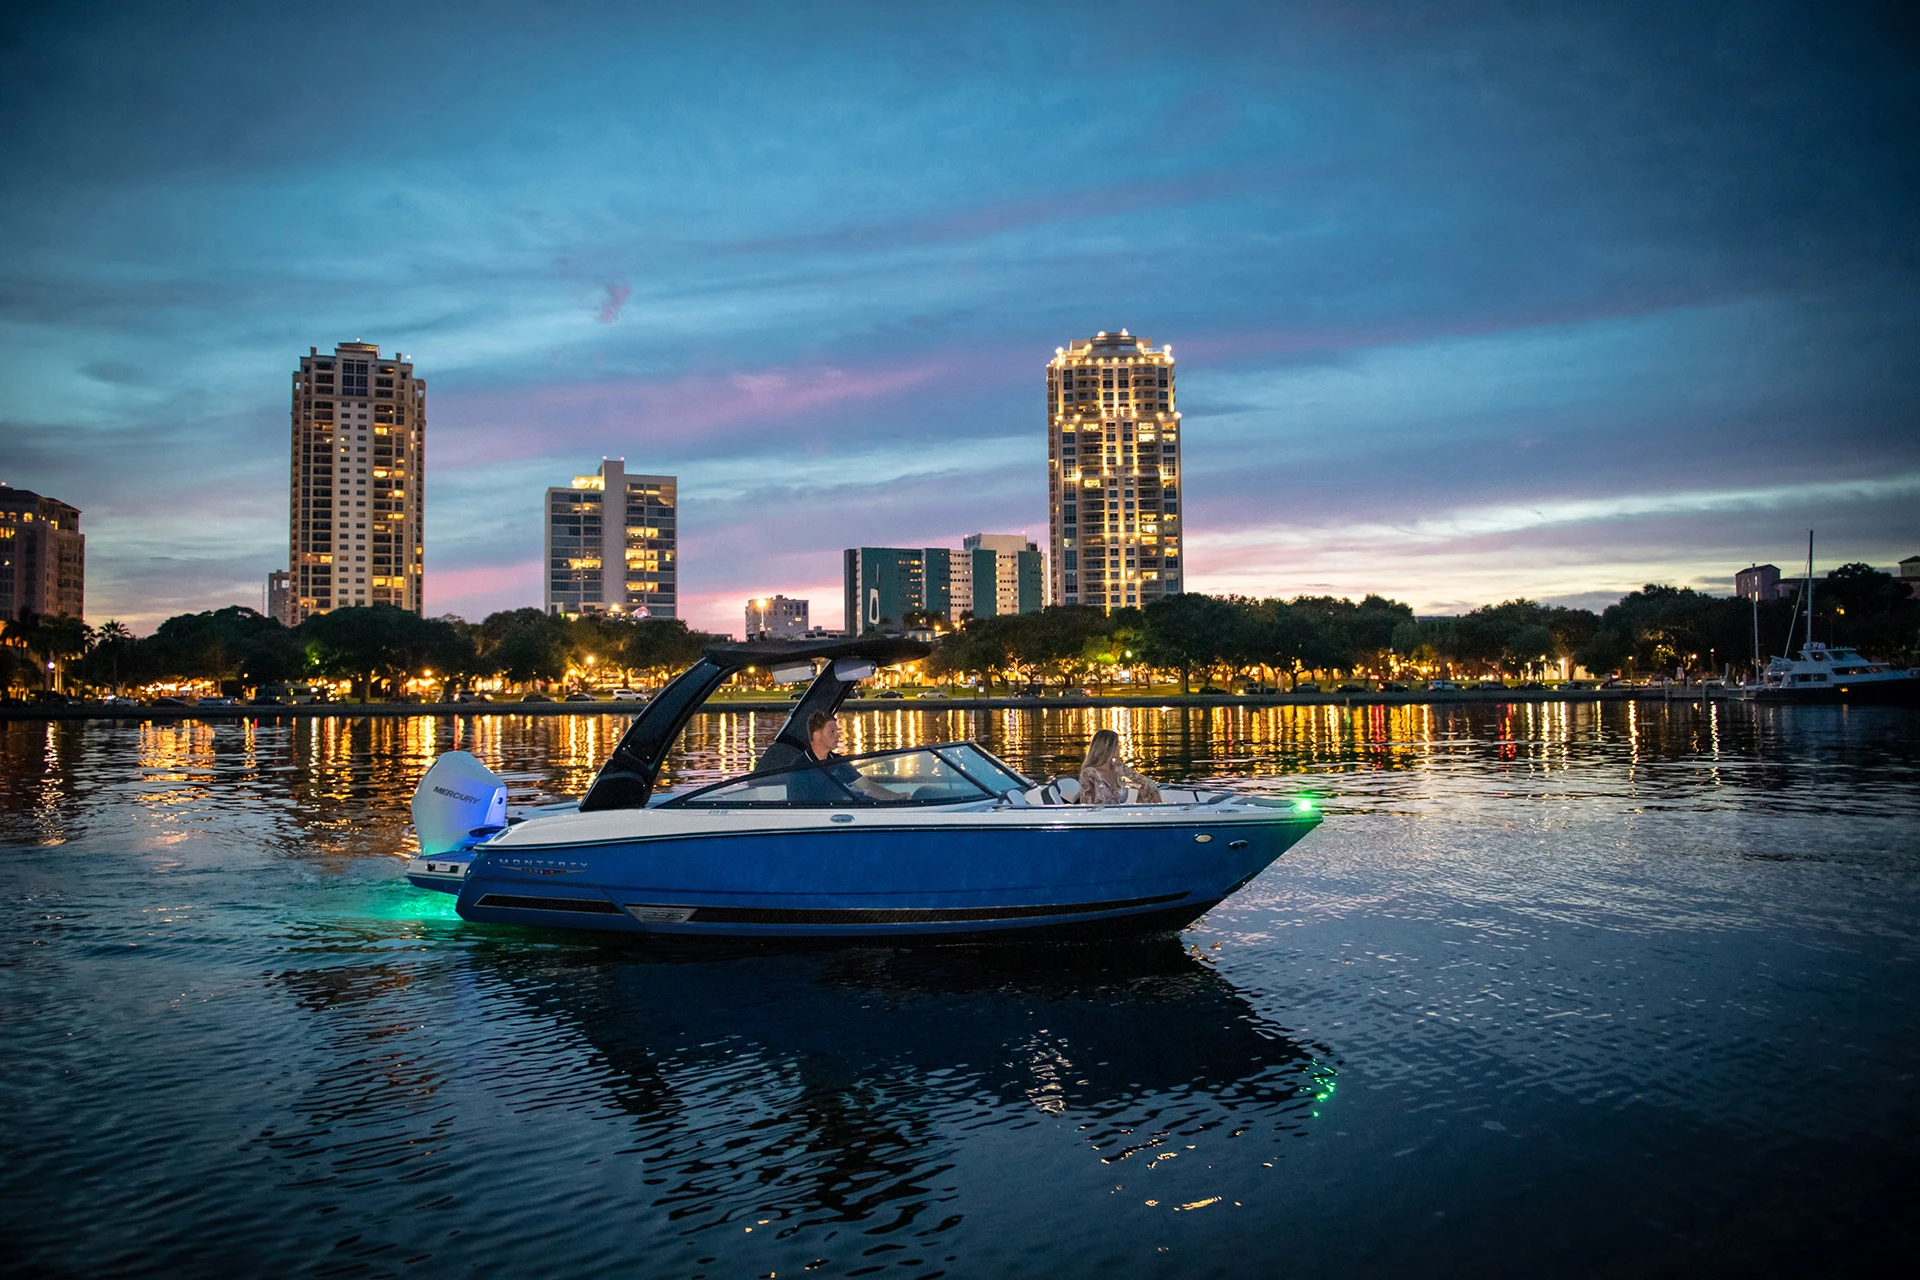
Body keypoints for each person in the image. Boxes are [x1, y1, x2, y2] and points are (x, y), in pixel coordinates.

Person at [762, 711, 904, 804]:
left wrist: (894, 797)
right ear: (817, 735)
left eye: (837, 731)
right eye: (832, 731)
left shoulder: (837, 761)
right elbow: (798, 807)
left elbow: (865, 785)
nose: (838, 735)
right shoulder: (800, 767)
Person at [1077, 728, 1162, 804]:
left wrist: (1154, 797)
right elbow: (1086, 803)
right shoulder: (1090, 773)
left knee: (1150, 790)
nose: (1119, 748)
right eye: (1117, 745)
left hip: (1120, 815)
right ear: (1108, 748)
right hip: (1100, 817)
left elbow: (1144, 783)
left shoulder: (1119, 769)